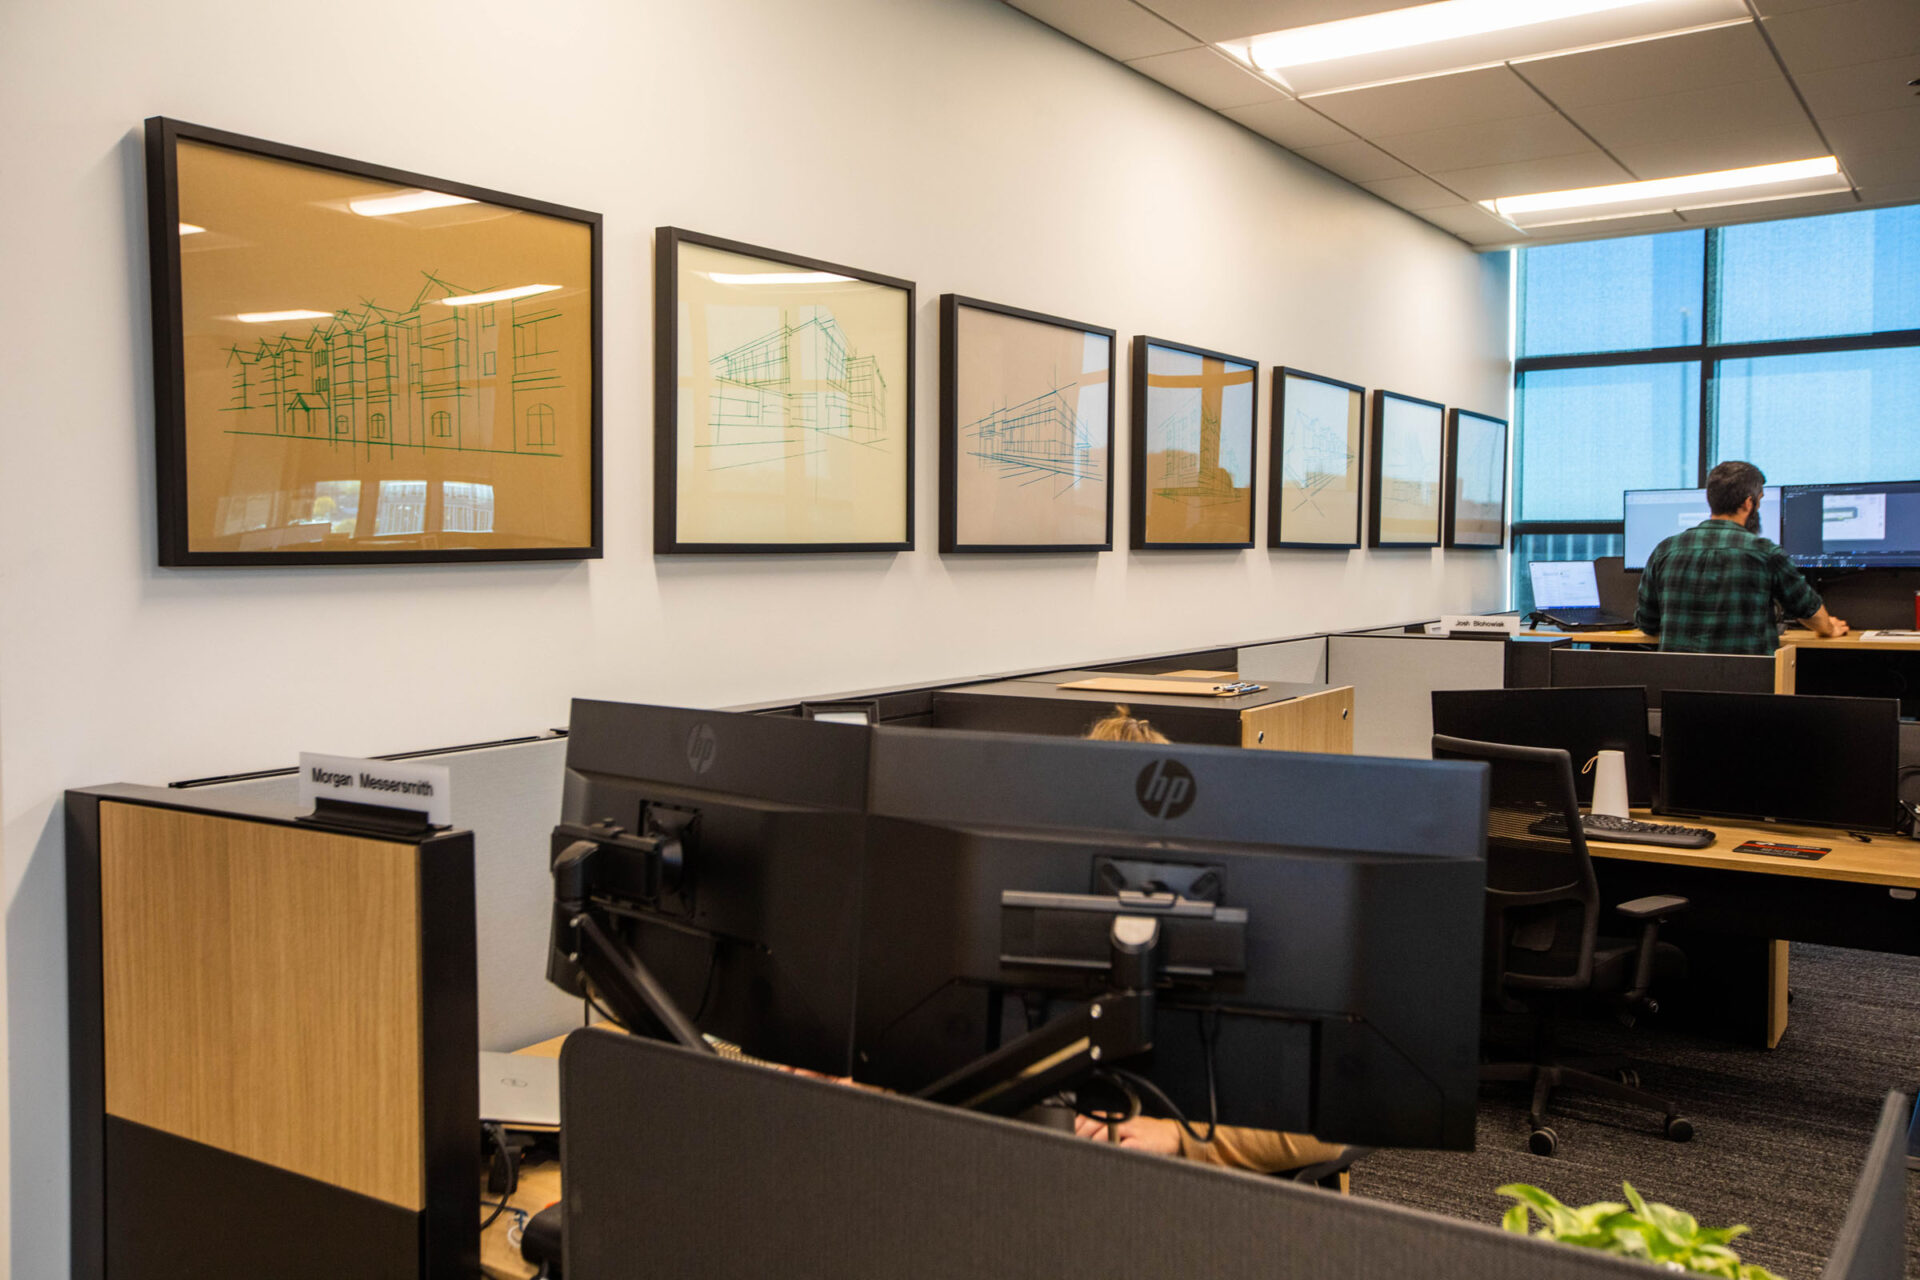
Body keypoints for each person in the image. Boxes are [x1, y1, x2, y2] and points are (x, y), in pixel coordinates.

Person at [1070, 705, 1351, 1177]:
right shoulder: (1043, 928)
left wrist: (1180, 1138)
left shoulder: (1241, 935)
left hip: (1190, 1188)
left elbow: (1324, 1129)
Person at [1635, 460, 1847, 655]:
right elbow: (1809, 611)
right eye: (1759, 500)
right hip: (1745, 680)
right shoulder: (1765, 553)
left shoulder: (1665, 550)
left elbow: (1647, 622)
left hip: (1678, 681)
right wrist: (1829, 628)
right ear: (1748, 503)